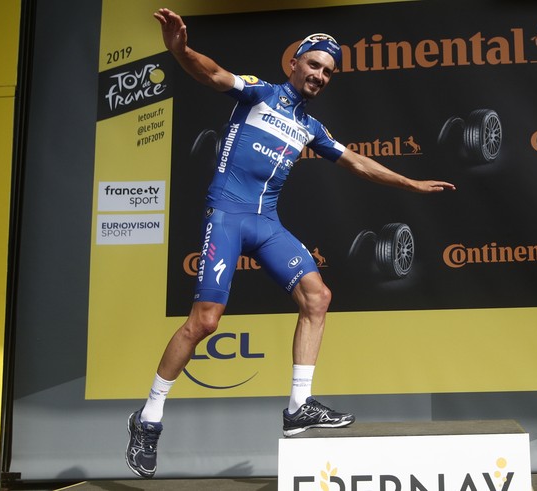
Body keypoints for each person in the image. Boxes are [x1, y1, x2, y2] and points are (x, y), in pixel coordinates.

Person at [126, 8, 456, 479]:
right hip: (228, 215)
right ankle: (149, 419)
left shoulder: (312, 128)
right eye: (314, 65)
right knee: (204, 322)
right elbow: (213, 73)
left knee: (317, 296)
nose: (320, 75)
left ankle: (299, 407)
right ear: (294, 65)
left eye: (328, 72)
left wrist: (411, 184)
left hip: (266, 224)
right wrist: (179, 50)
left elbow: (358, 163)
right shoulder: (259, 93)